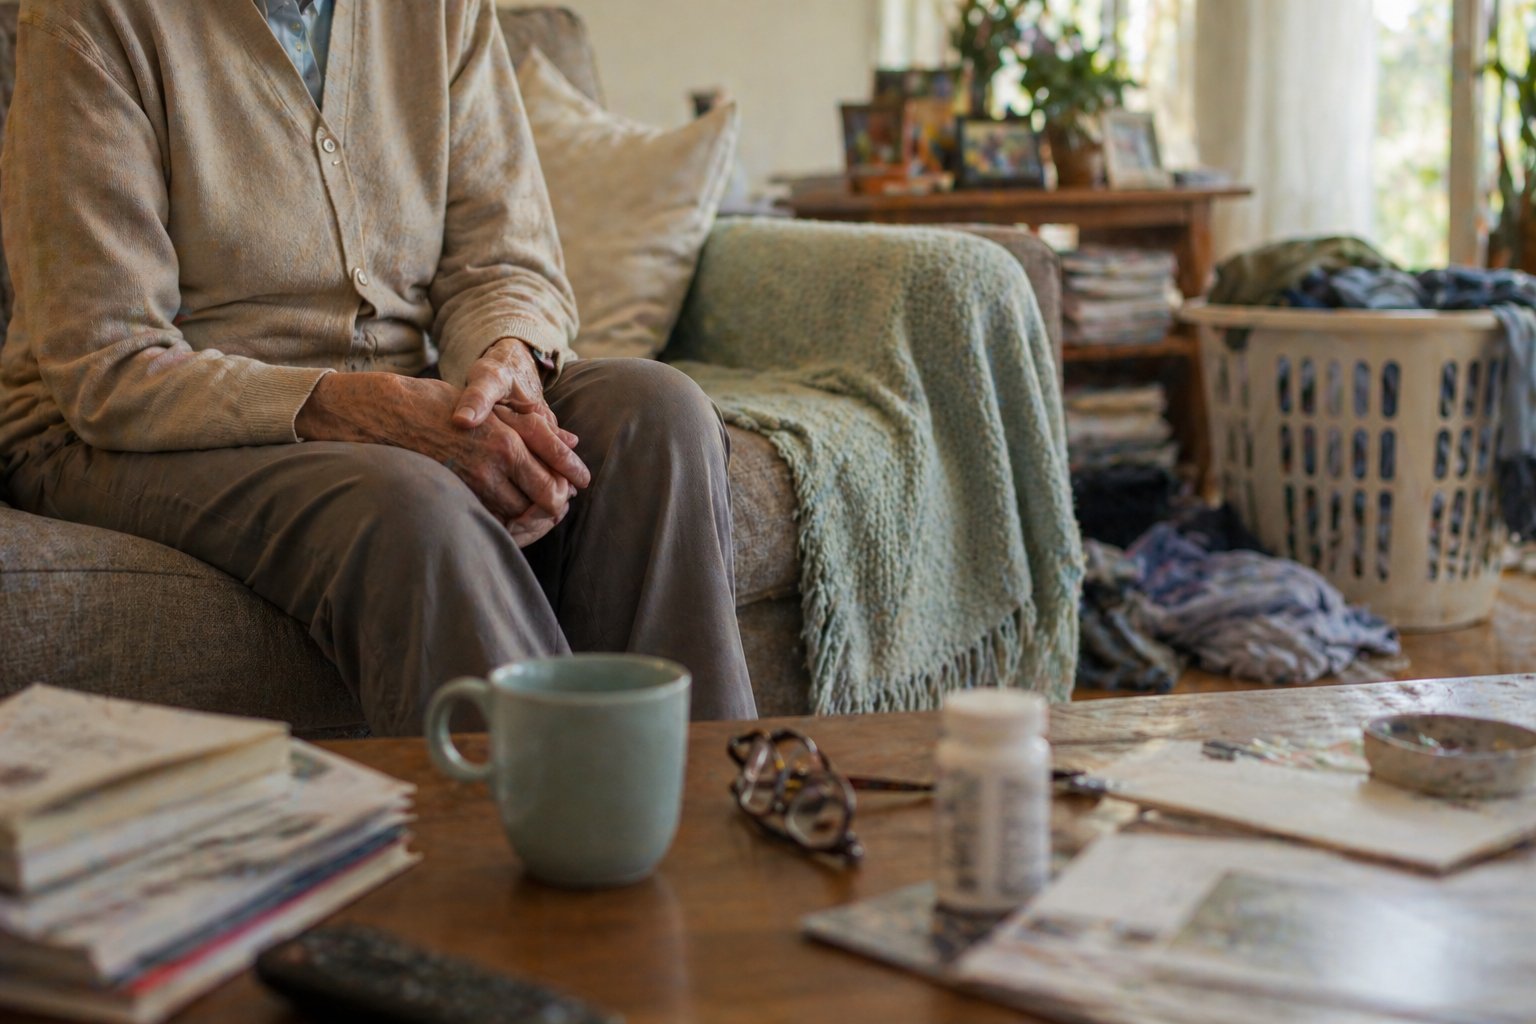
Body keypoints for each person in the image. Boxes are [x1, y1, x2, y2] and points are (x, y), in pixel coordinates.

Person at [0, 0, 757, 733]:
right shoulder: (91, 14)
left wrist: (505, 366)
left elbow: (503, 261)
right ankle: (539, 838)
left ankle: (714, 830)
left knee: (657, 415)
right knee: (413, 500)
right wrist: (376, 410)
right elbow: (111, 362)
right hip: (118, 427)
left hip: (405, 389)